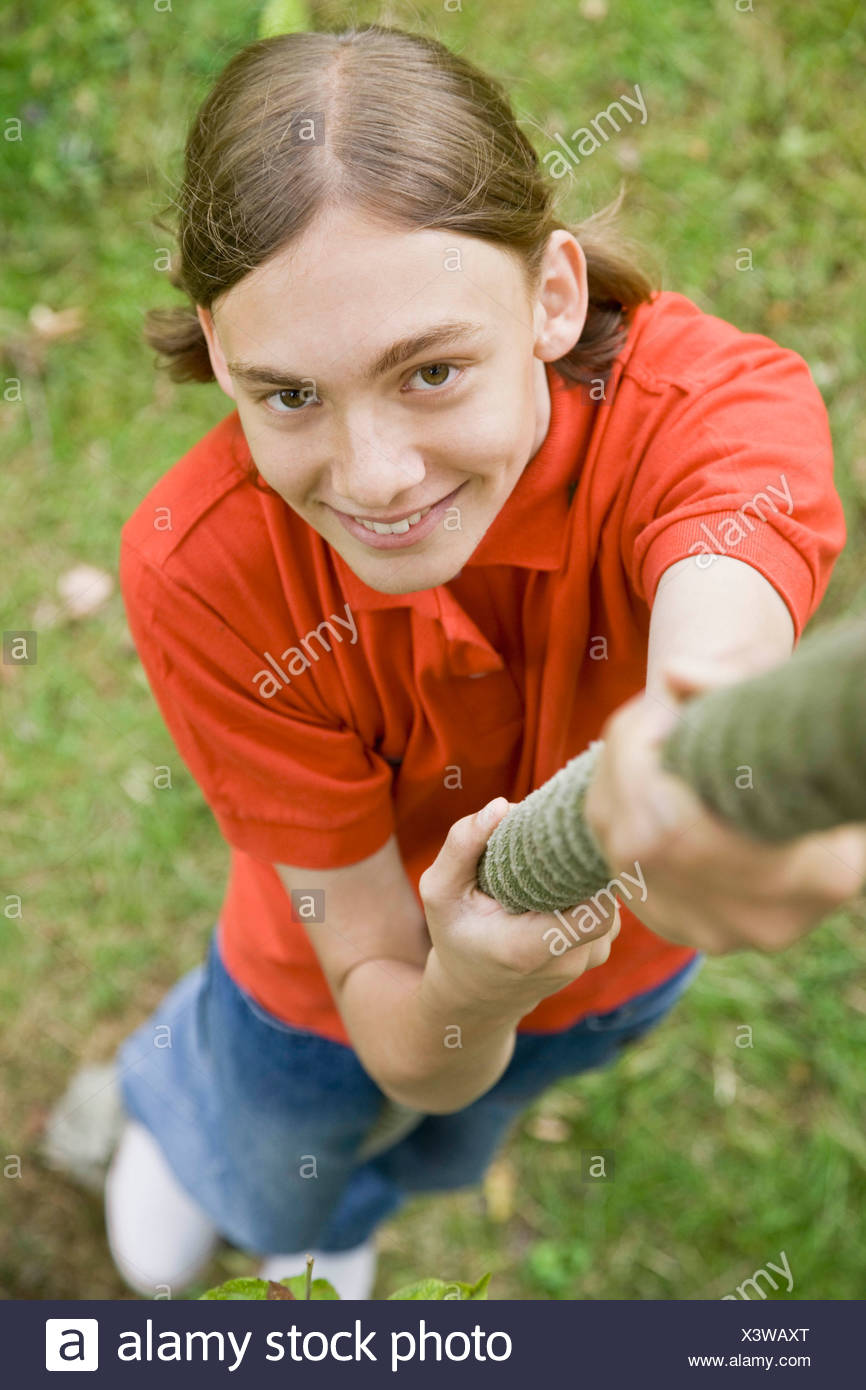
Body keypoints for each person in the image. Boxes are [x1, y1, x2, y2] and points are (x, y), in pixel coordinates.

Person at [104, 24, 866, 1299]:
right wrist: (456, 984)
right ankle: (219, 1167)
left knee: (452, 1139)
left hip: (593, 987)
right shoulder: (204, 568)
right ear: (219, 357)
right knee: (269, 1140)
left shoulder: (705, 417)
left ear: (552, 296)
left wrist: (695, 768)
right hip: (312, 991)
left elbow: (716, 643)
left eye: (431, 370)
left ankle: (353, 1204)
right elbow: (384, 1006)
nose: (375, 476)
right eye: (287, 395)